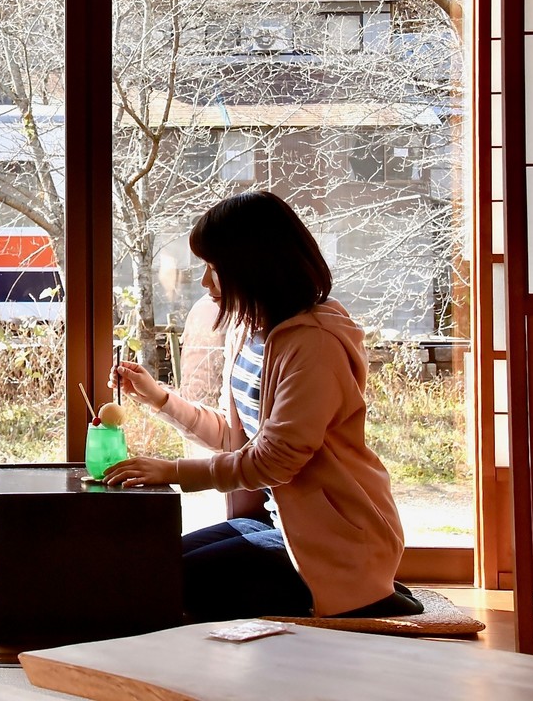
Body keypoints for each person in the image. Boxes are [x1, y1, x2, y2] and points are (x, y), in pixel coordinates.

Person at [104, 190, 423, 622]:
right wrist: (160, 399)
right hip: (278, 526)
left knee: (158, 586)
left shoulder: (316, 343)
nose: (204, 282)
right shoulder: (251, 331)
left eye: (214, 268)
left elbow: (274, 460)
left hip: (329, 544)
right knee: (139, 568)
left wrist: (172, 472)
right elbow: (236, 438)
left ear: (251, 266)